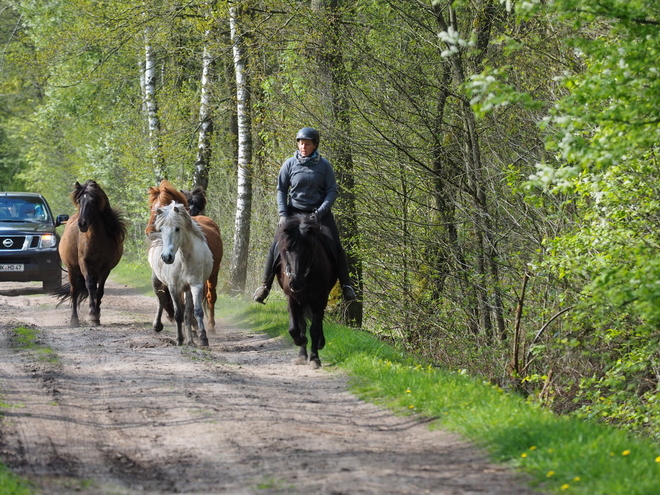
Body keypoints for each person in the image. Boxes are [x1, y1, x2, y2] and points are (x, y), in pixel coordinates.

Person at [253, 127, 357, 304]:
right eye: (300, 143)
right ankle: (264, 286)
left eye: (307, 144)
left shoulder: (324, 166)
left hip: (319, 215)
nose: (303, 146)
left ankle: (346, 286)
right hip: (293, 214)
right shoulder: (289, 164)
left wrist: (320, 212)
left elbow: (332, 191)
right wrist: (283, 214)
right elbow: (281, 190)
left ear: (315, 145)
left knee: (335, 245)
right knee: (276, 245)